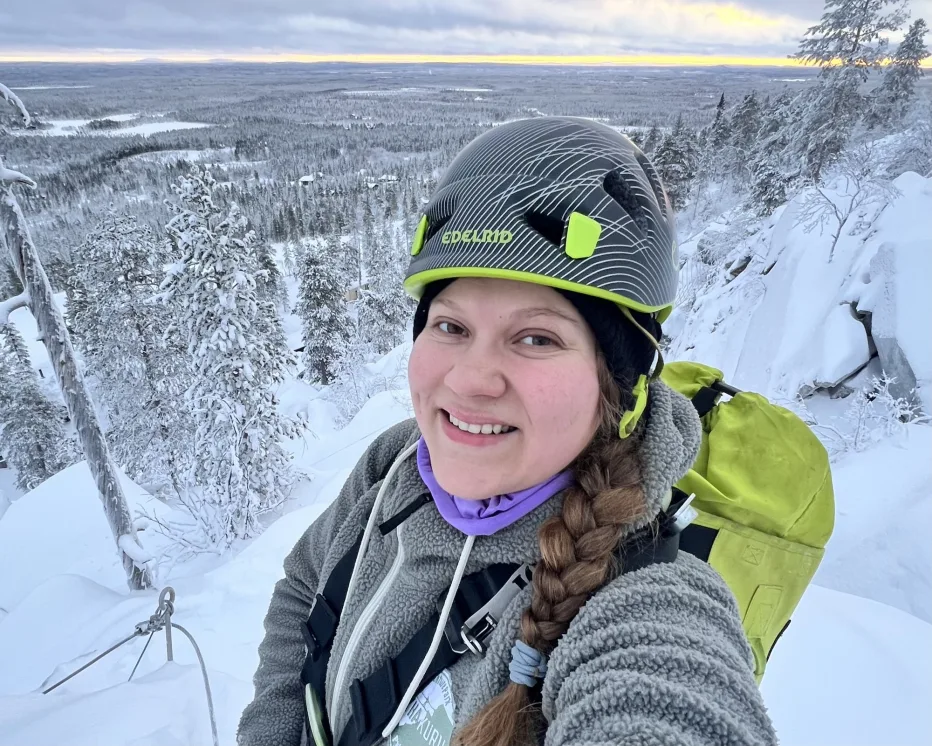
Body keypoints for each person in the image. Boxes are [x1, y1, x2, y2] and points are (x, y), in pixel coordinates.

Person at [237, 117, 777, 746]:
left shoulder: (647, 600)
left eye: (536, 337)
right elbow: (304, 594)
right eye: (451, 327)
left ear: (618, 385)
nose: (470, 381)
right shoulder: (394, 467)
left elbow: (668, 708)